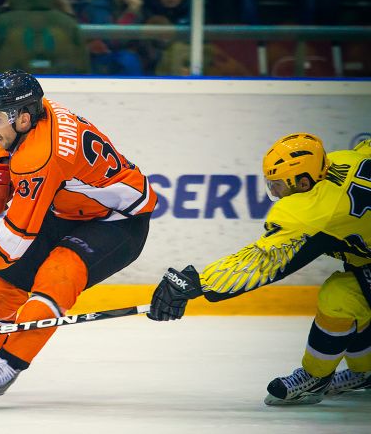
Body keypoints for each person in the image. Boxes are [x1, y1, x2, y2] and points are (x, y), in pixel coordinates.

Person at [0, 69, 158, 406]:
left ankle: (9, 364)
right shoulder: (39, 111)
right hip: (69, 208)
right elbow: (11, 253)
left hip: (119, 221)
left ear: (23, 118)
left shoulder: (40, 155)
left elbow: (7, 245)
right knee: (5, 280)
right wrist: (3, 162)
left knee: (57, 275)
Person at [147, 133, 371, 405]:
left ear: (304, 183)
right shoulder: (344, 159)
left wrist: (199, 282)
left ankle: (315, 378)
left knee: (339, 298)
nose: (273, 192)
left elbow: (262, 261)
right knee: (355, 291)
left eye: (278, 185)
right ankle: (365, 372)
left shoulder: (312, 210)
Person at [77, 0, 148, 75]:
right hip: (94, 62)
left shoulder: (125, 6)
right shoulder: (98, 5)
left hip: (114, 59)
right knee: (129, 60)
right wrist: (131, 13)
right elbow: (110, 40)